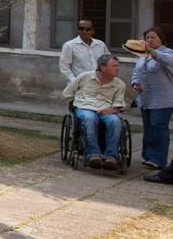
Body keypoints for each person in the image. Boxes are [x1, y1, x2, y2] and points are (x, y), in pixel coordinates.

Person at [63, 54, 128, 170]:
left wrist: (113, 109)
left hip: (107, 110)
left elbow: (119, 104)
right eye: (114, 66)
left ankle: (111, 156)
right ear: (102, 67)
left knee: (115, 122)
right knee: (89, 119)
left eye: (118, 66)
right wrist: (75, 105)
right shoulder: (84, 77)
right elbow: (68, 93)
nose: (117, 68)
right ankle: (93, 154)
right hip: (85, 107)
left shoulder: (119, 84)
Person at [135, 28, 173, 177]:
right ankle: (148, 156)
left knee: (159, 127)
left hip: (163, 98)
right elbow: (136, 72)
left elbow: (166, 60)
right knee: (148, 128)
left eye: (153, 37)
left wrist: (152, 52)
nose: (150, 40)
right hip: (146, 98)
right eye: (147, 38)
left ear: (161, 39)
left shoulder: (167, 53)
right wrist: (135, 83)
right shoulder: (142, 55)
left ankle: (158, 159)